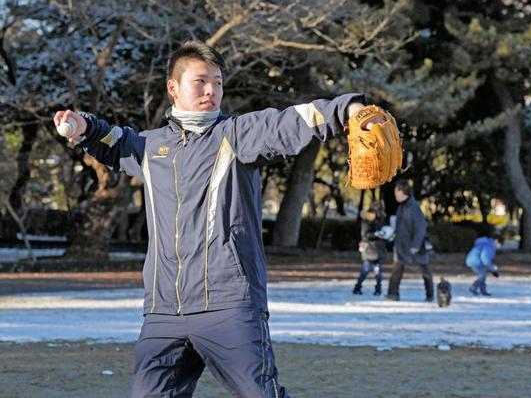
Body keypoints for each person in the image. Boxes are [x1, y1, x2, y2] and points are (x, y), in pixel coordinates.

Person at [52, 40, 389, 398]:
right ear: (173, 88)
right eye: (200, 81)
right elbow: (114, 141)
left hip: (229, 305)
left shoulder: (237, 135)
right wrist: (81, 126)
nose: (212, 90)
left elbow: (292, 121)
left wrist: (349, 108)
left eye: (218, 82)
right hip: (163, 312)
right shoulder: (150, 147)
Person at [385, 179, 433, 302]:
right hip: (401, 246)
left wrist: (415, 246)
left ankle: (430, 295)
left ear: (401, 191)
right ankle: (393, 294)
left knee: (425, 270)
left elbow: (421, 228)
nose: (395, 194)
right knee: (397, 270)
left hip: (415, 246)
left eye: (396, 191)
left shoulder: (414, 206)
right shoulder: (401, 207)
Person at [353, 200, 387, 296]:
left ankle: (378, 288)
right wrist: (376, 234)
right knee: (366, 269)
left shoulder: (381, 219)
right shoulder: (367, 220)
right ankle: (358, 286)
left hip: (378, 248)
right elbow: (365, 235)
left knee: (378, 270)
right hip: (369, 249)